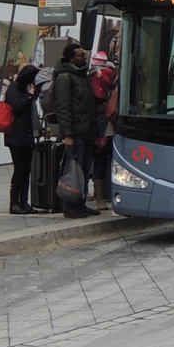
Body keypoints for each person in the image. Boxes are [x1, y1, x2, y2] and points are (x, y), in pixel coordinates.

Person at [54, 43, 100, 218]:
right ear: (70, 58)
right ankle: (70, 205)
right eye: (80, 55)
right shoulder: (65, 78)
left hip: (87, 131)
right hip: (75, 133)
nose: (84, 57)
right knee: (73, 169)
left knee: (84, 169)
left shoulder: (83, 76)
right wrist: (67, 134)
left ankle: (80, 202)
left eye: (84, 54)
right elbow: (63, 108)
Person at [3, 64, 40, 215]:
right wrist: (29, 95)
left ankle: (24, 202)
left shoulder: (28, 89)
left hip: (28, 135)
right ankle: (14, 203)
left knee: (27, 170)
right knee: (19, 169)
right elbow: (16, 106)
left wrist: (32, 93)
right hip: (16, 136)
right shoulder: (14, 88)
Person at [88, 51, 117, 211]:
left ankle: (98, 193)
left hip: (98, 122)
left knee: (97, 157)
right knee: (99, 157)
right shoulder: (104, 75)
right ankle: (99, 194)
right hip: (100, 122)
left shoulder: (95, 76)